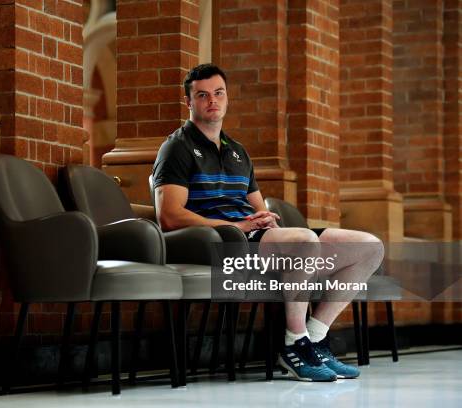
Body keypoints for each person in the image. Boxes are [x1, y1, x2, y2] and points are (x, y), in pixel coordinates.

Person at [152, 63, 384, 382]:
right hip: (219, 243)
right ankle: (293, 345)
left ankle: (314, 338)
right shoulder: (176, 147)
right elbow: (169, 216)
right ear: (188, 102)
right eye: (202, 95)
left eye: (218, 93)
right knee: (303, 241)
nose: (212, 101)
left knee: (368, 248)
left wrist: (264, 222)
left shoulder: (237, 152)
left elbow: (259, 211)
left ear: (227, 97)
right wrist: (239, 227)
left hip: (253, 238)